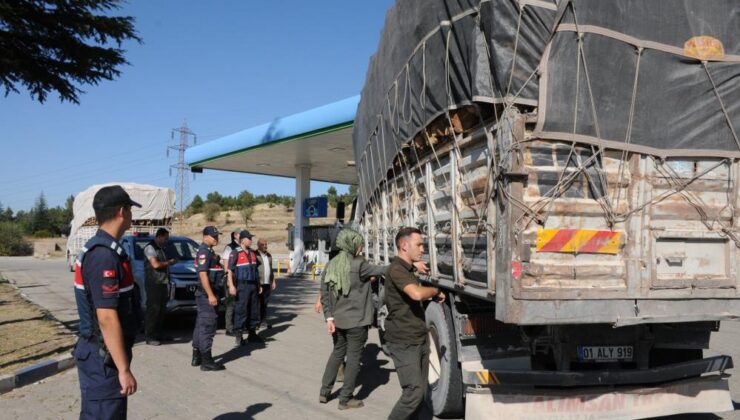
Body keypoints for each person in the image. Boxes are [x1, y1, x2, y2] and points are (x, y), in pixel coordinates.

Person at [72, 185, 143, 419]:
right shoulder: (103, 255)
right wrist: (123, 369)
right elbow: (106, 317)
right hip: (103, 358)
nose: (132, 216)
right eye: (131, 210)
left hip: (102, 354)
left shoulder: (106, 249)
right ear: (122, 211)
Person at [318, 229, 388, 410]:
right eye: (359, 244)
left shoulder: (331, 265)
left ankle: (324, 392)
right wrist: (408, 264)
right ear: (351, 245)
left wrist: (329, 318)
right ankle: (345, 398)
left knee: (337, 354)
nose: (361, 247)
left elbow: (325, 293)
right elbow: (383, 269)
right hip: (357, 322)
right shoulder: (360, 264)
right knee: (354, 359)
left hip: (338, 320)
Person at [384, 227, 444, 420]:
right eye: (418, 244)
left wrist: (415, 265)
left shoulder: (406, 268)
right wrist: (434, 291)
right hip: (403, 340)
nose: (422, 249)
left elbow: (410, 272)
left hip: (418, 337)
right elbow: (416, 293)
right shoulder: (396, 269)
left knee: (422, 394)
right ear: (403, 245)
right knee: (413, 393)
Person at [191, 226, 226, 371]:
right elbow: (203, 275)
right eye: (213, 236)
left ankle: (197, 356)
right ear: (205, 236)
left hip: (206, 294)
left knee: (200, 325)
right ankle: (207, 361)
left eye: (217, 236)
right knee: (207, 327)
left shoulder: (209, 252)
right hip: (207, 295)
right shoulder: (204, 252)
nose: (216, 238)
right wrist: (211, 295)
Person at [228, 229, 263, 347]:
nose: (251, 240)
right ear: (243, 240)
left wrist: (259, 285)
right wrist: (231, 286)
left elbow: (256, 271)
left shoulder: (253, 253)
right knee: (241, 310)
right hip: (241, 285)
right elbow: (230, 271)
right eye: (249, 238)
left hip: (253, 285)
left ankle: (252, 334)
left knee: (254, 309)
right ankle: (239, 335)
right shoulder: (235, 252)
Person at [143, 228, 177, 346]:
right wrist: (170, 262)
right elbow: (155, 264)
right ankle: (150, 335)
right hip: (154, 283)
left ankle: (158, 333)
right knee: (153, 309)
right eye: (165, 238)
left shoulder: (161, 249)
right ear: (159, 236)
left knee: (161, 309)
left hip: (162, 282)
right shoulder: (150, 248)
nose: (166, 241)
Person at [221, 228, 241, 336]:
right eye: (241, 234)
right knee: (231, 304)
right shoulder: (229, 247)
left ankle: (238, 326)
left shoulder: (242, 247)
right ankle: (229, 328)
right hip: (231, 278)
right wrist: (229, 280)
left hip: (241, 279)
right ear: (235, 235)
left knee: (240, 304)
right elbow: (226, 264)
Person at [256, 238, 276, 329]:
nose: (265, 246)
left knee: (265, 303)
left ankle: (263, 321)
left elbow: (271, 269)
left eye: (266, 244)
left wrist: (273, 281)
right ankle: (256, 322)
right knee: (257, 303)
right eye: (262, 244)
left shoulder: (269, 255)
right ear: (258, 245)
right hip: (259, 283)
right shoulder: (255, 255)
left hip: (267, 283)